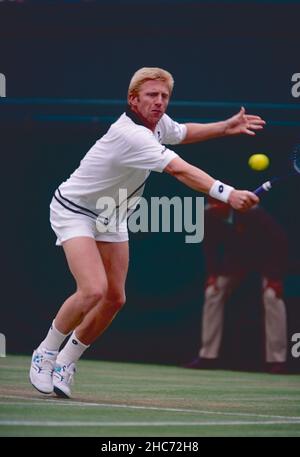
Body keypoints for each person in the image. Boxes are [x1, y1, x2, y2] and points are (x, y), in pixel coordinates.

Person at [29, 67, 264, 398]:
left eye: (165, 96)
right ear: (133, 99)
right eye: (152, 95)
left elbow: (183, 132)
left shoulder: (157, 125)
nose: (160, 102)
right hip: (74, 210)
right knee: (93, 289)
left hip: (113, 213)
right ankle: (46, 352)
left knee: (114, 298)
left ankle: (67, 360)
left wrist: (225, 127)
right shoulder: (131, 134)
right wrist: (228, 193)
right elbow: (178, 168)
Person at [186, 198, 288, 374]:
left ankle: (277, 361)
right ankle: (207, 356)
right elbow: (209, 246)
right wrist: (212, 273)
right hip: (235, 263)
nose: (215, 206)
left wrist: (275, 277)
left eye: (219, 203)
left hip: (265, 261)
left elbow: (279, 242)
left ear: (228, 202)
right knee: (212, 292)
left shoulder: (254, 214)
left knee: (272, 296)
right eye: (212, 203)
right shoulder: (208, 214)